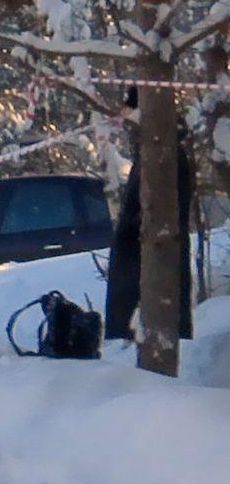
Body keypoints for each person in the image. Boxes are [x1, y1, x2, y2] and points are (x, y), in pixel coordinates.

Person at [105, 143, 194, 342]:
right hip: (141, 248)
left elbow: (162, 214)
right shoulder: (152, 153)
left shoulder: (164, 155)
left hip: (150, 251)